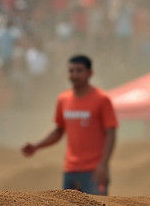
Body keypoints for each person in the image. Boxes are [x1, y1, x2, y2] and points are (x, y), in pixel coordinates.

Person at [21, 53, 117, 195]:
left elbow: (111, 133)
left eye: (79, 70)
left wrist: (103, 165)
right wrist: (36, 146)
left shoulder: (102, 99)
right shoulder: (63, 99)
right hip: (70, 170)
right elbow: (59, 130)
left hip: (93, 171)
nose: (74, 75)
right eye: (71, 71)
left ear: (90, 73)